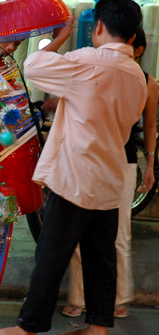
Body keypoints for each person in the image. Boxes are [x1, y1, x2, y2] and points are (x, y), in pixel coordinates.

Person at [0, 0, 146, 335]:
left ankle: (27, 328)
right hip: (110, 178)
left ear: (98, 27)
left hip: (75, 176)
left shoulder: (88, 61)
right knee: (101, 257)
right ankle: (98, 327)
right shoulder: (136, 76)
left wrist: (60, 38)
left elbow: (33, 66)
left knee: (51, 253)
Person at [62, 27, 158, 320]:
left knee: (120, 233)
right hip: (89, 160)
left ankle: (116, 298)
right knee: (81, 233)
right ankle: (80, 299)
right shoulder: (96, 69)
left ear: (138, 50)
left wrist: (150, 165)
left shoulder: (148, 83)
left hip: (124, 163)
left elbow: (150, 126)